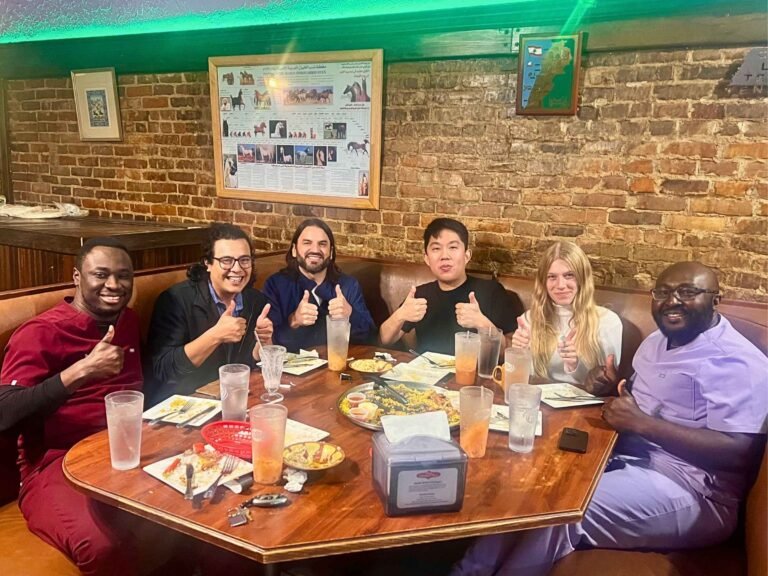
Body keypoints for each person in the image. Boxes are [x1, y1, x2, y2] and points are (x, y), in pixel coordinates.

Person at [451, 261, 768, 576]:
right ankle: (468, 571)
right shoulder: (658, 340)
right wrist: (609, 386)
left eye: (687, 292)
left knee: (560, 511)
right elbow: (638, 396)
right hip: (625, 457)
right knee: (530, 486)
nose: (673, 301)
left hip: (694, 491)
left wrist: (643, 424)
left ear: (715, 299)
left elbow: (740, 451)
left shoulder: (737, 360)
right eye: (663, 292)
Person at [0, 238, 143, 575]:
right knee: (102, 546)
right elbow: (4, 412)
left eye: (123, 276)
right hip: (54, 465)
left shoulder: (128, 321)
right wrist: (82, 371)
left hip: (125, 454)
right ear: (77, 277)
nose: (114, 285)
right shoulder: (39, 333)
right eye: (101, 275)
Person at [146, 223, 273, 402]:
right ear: (208, 263)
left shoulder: (255, 300)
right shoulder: (175, 300)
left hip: (231, 400)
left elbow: (247, 366)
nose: (237, 268)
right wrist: (215, 335)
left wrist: (263, 342)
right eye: (227, 260)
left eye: (244, 260)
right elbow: (163, 369)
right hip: (181, 405)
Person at [379, 218, 522, 354]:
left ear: (466, 256)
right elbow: (384, 340)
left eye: (453, 247)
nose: (444, 256)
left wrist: (483, 325)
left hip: (473, 376)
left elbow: (512, 350)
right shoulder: (420, 295)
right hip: (426, 375)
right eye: (436, 249)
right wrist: (400, 315)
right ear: (427, 259)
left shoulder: (491, 291)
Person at [511, 241, 622, 385]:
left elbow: (607, 384)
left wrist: (575, 365)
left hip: (587, 403)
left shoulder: (607, 322)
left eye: (569, 275)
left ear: (583, 278)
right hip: (539, 400)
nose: (561, 285)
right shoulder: (530, 319)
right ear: (544, 282)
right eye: (552, 277)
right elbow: (526, 380)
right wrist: (520, 354)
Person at [263, 218, 375, 352]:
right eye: (307, 243)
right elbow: (267, 344)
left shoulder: (348, 285)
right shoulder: (276, 285)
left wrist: (350, 314)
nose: (315, 250)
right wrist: (294, 321)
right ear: (294, 250)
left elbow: (372, 338)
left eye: (322, 244)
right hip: (292, 370)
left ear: (331, 252)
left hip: (339, 365)